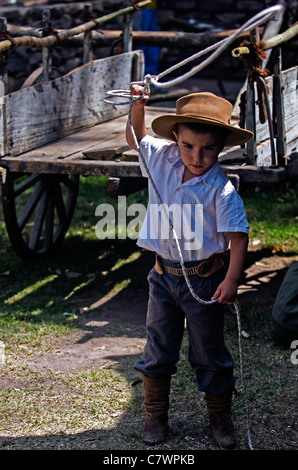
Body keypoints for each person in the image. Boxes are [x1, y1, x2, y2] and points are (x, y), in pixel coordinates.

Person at [126, 86, 253, 449]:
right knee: (158, 346)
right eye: (189, 146)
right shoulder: (161, 160)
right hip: (163, 277)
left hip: (205, 281)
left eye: (209, 148)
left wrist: (231, 280)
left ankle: (219, 418)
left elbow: (238, 238)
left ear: (222, 145)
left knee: (208, 351)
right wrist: (139, 104)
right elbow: (136, 137)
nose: (197, 157)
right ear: (176, 138)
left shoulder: (220, 190)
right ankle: (154, 415)